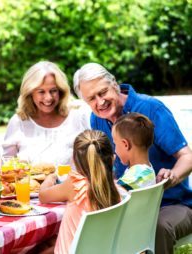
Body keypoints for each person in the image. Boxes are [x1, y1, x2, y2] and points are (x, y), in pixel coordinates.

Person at [73, 62, 192, 253]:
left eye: (103, 93)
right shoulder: (97, 119)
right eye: (92, 99)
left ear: (114, 84)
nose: (100, 102)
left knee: (159, 227)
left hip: (172, 204)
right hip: (126, 206)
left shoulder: (151, 108)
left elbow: (187, 157)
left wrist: (172, 176)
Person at [39, 130, 122, 254]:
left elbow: (43, 195)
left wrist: (50, 178)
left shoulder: (75, 184)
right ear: (112, 158)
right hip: (99, 249)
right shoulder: (118, 190)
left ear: (74, 160)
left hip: (73, 250)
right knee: (49, 242)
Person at [3, 61, 90, 166]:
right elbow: (6, 166)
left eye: (53, 91)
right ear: (30, 92)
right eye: (41, 92)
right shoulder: (18, 122)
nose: (48, 98)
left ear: (61, 91)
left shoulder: (78, 116)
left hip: (75, 182)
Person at [112, 113, 156, 190]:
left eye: (115, 144)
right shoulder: (146, 170)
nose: (115, 150)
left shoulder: (132, 179)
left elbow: (108, 196)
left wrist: (108, 169)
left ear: (125, 144)